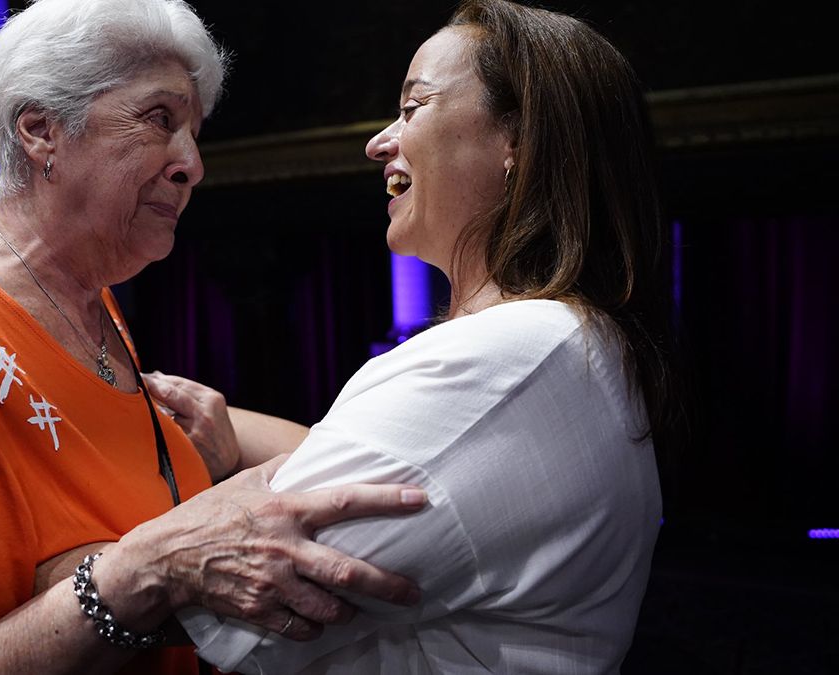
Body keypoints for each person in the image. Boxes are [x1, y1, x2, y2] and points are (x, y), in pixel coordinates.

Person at [0, 1, 425, 673]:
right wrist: (140, 571)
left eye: (193, 133)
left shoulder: (95, 306)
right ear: (40, 130)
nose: (192, 164)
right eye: (159, 120)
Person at [176, 1, 678, 673]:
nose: (378, 142)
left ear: (518, 143)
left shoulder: (507, 354)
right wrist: (224, 424)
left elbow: (236, 599)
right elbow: (418, 470)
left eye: (413, 108)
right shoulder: (572, 339)